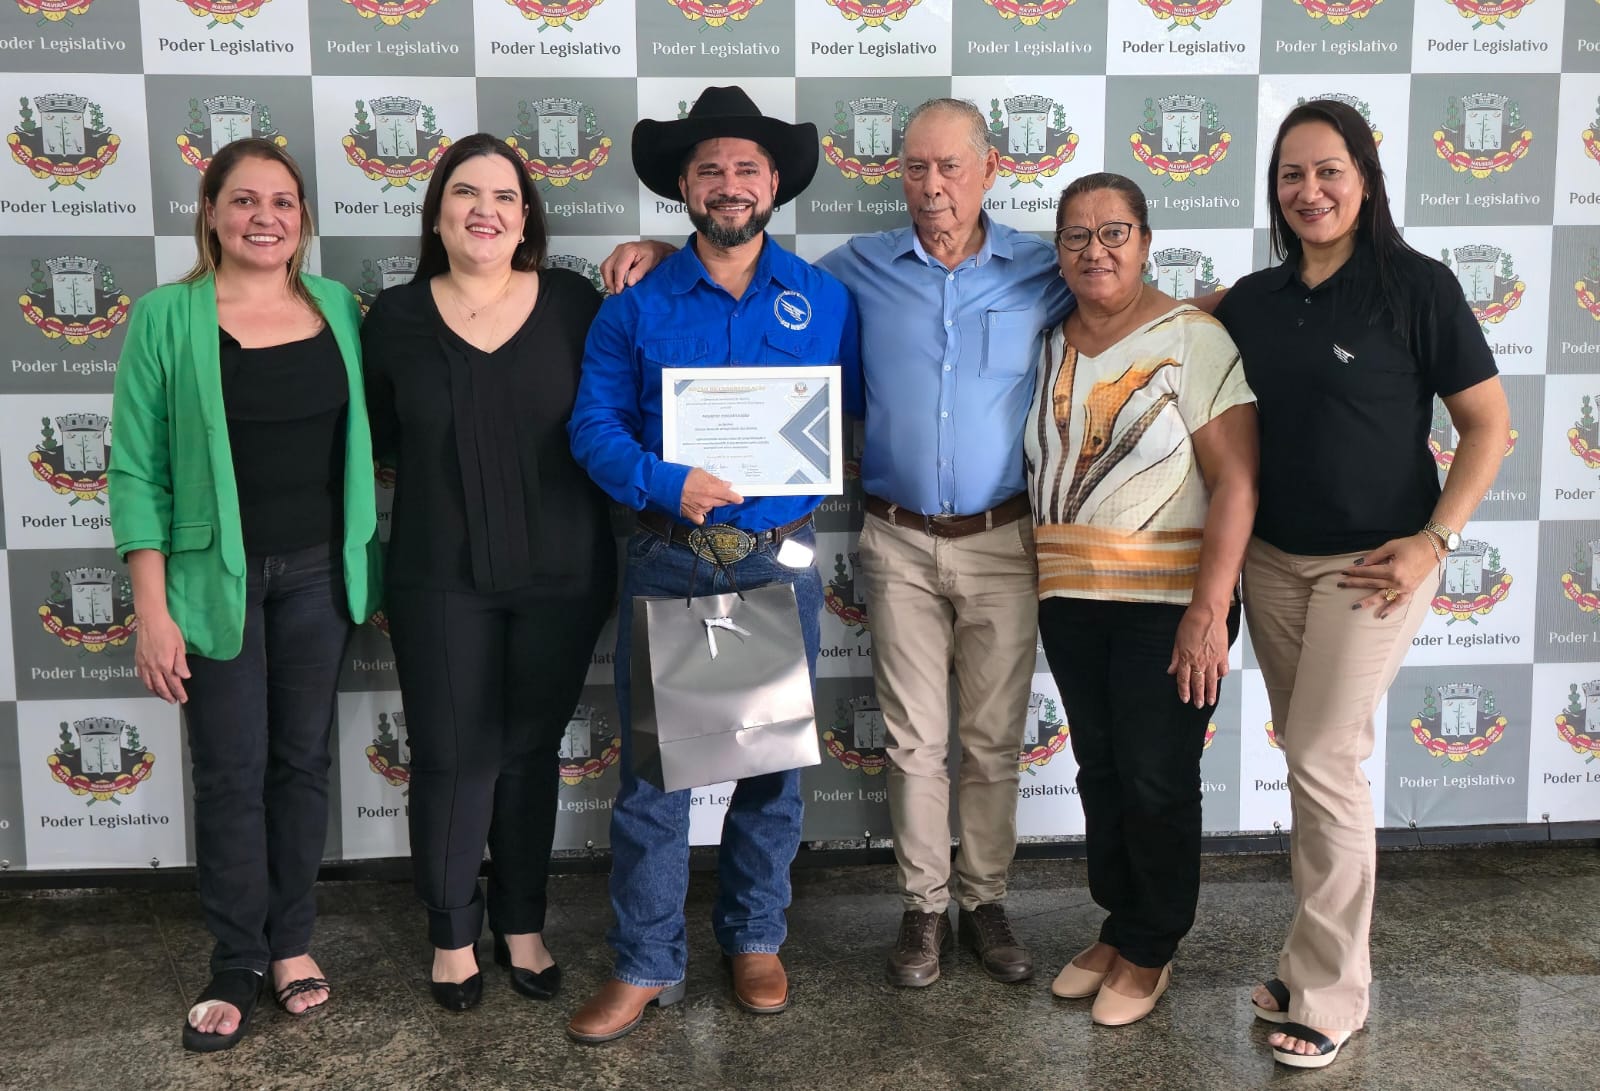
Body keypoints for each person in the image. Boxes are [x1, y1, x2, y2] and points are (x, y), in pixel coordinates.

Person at [603, 97, 1072, 989]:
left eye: (951, 167)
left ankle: (947, 907)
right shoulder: (842, 274)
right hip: (783, 546)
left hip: (957, 541)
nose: (932, 186)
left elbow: (1123, 297)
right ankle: (662, 960)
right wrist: (664, 255)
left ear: (989, 170)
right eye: (916, 167)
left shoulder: (1028, 270)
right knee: (682, 775)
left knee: (936, 748)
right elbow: (609, 412)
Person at [1213, 99, 1509, 1069]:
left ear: (1366, 179)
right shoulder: (1255, 299)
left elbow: (1488, 426)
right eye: (1291, 175)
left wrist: (1435, 540)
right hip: (1271, 561)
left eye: (1328, 171)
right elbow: (1179, 326)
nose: (1310, 191)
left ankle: (1334, 993)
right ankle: (1306, 959)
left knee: (1322, 755)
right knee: (1314, 761)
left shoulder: (1418, 288)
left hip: (1375, 567)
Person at [565, 86, 860, 1044]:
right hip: (670, 560)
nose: (729, 184)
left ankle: (756, 936)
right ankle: (645, 960)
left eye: (745, 168)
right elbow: (592, 428)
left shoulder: (826, 299)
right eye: (709, 170)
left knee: (772, 773)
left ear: (773, 183)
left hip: (777, 562)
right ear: (683, 189)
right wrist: (664, 479)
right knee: (656, 782)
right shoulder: (634, 304)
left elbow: (850, 415)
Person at [108, 137, 383, 1052]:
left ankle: (291, 942)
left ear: (303, 216)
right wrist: (151, 611)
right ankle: (237, 958)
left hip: (319, 576)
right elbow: (136, 470)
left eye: (282, 201)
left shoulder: (338, 308)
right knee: (229, 771)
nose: (265, 217)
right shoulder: (165, 316)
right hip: (205, 582)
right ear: (211, 212)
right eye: (244, 200)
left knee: (301, 764)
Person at [361, 133, 616, 1013]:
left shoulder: (577, 305)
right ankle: (452, 935)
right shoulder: (393, 319)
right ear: (437, 214)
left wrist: (656, 250)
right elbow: (380, 440)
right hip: (439, 576)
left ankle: (523, 924)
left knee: (527, 753)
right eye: (465, 193)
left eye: (505, 196)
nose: (485, 209)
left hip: (564, 575)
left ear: (527, 217)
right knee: (452, 756)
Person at [1028, 172, 1257, 1026]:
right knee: (1102, 770)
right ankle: (1120, 924)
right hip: (1070, 595)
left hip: (1170, 600)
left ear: (1147, 241)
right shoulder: (1048, 339)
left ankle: (1153, 944)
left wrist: (1209, 609)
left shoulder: (1196, 338)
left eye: (1114, 232)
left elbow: (1237, 481)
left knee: (1158, 776)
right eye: (1077, 236)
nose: (1096, 250)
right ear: (1058, 251)